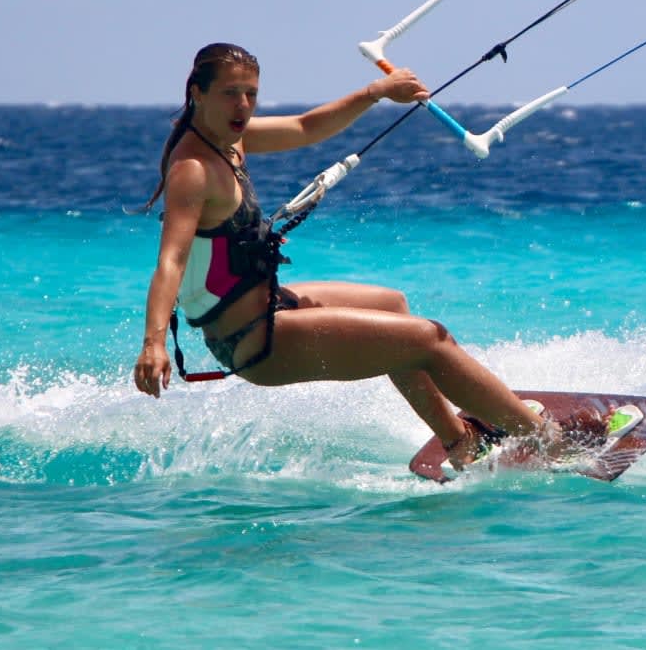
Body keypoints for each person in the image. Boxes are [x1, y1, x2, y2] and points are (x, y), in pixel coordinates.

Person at [132, 42, 567, 469]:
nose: (243, 105)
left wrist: (376, 92)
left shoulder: (227, 139)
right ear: (198, 93)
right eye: (230, 93)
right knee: (429, 339)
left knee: (392, 304)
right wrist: (154, 344)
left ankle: (460, 440)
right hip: (255, 340)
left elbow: (305, 127)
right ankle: (547, 441)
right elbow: (171, 260)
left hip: (268, 306)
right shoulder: (193, 169)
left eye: (251, 94)